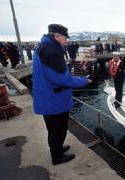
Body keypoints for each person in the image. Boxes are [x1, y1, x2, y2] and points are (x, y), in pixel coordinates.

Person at [32, 23, 92, 165]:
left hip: (47, 97)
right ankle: (57, 156)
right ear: (57, 36)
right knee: (58, 129)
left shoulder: (42, 48)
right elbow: (63, 79)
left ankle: (57, 148)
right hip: (54, 101)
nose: (67, 41)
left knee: (53, 129)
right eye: (65, 38)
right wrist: (83, 81)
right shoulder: (52, 53)